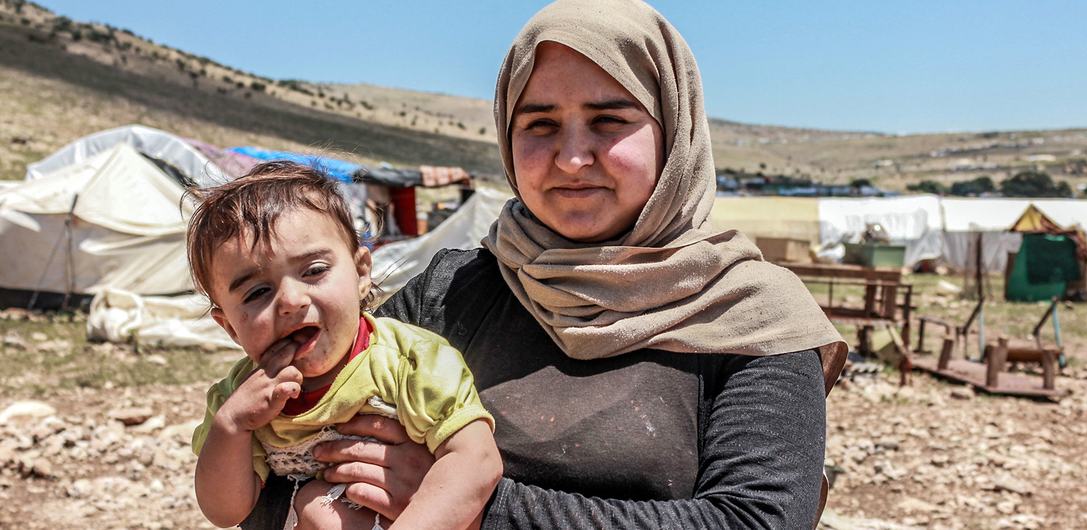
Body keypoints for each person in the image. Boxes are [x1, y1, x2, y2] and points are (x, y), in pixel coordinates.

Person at [243, 0, 846, 528]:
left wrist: (472, 506)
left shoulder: (753, 318)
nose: (573, 157)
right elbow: (274, 461)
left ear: (675, 128)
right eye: (540, 124)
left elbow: (754, 520)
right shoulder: (452, 294)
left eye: (610, 121)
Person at [187, 162, 502, 530]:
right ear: (230, 328)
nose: (291, 299)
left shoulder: (408, 361)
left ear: (362, 273)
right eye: (258, 292)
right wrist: (232, 426)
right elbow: (226, 512)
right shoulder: (240, 398)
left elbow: (477, 458)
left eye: (314, 271)